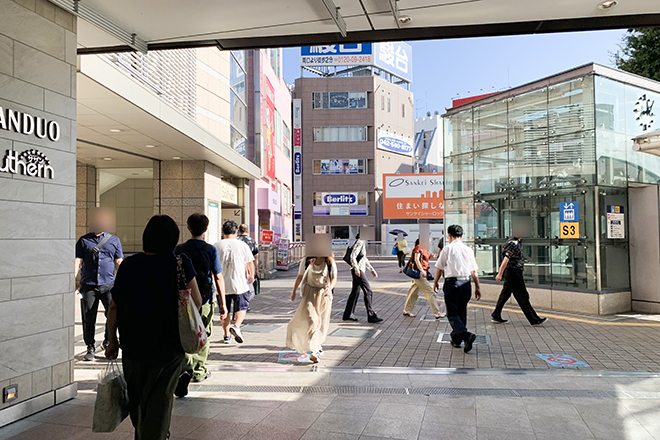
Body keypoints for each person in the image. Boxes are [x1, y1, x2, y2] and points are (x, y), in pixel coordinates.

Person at [105, 215, 203, 440]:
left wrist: (113, 341)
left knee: (138, 397)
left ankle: (145, 433)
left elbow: (114, 306)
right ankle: (154, 434)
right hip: (170, 345)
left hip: (133, 345)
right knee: (161, 397)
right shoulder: (180, 263)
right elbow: (196, 301)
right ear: (173, 239)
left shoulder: (129, 265)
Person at [173, 213, 227, 397]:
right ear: (206, 229)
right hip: (204, 297)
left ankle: (185, 368)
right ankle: (199, 370)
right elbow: (218, 276)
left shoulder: (179, 249)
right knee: (203, 333)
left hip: (181, 299)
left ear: (188, 227)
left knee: (185, 331)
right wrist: (223, 302)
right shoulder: (210, 250)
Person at [74, 208, 123, 361]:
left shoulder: (114, 240)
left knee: (112, 315)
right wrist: (72, 280)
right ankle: (90, 346)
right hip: (88, 285)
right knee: (88, 316)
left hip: (109, 285)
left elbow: (118, 262)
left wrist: (124, 281)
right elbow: (78, 261)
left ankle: (108, 341)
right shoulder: (83, 241)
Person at [287, 236, 337, 363]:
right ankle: (315, 347)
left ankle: (316, 349)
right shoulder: (307, 261)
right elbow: (300, 276)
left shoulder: (330, 262)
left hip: (324, 294)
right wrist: (293, 291)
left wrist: (329, 288)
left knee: (321, 321)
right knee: (312, 319)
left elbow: (334, 277)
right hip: (309, 293)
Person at [433, 224, 481, 353]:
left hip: (452, 283)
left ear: (449, 236)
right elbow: (474, 271)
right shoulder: (468, 249)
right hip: (466, 283)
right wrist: (477, 287)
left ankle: (466, 336)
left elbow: (440, 268)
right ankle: (456, 339)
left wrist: (435, 282)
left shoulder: (447, 249)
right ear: (462, 235)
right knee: (461, 312)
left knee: (453, 314)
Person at [491, 230, 548, 326]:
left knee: (505, 295)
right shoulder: (512, 243)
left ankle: (496, 314)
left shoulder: (517, 242)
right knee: (522, 296)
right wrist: (499, 274)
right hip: (513, 273)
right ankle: (534, 319)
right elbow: (505, 259)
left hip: (513, 272)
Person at [214, 220, 255, 344]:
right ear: (236, 232)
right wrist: (251, 274)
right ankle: (236, 326)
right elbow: (249, 262)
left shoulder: (216, 245)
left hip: (221, 284)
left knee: (224, 309)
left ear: (223, 232)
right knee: (242, 306)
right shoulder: (242, 245)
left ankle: (227, 336)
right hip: (239, 283)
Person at [343, 233, 383, 323]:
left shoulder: (361, 243)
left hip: (357, 270)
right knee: (368, 291)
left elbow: (364, 258)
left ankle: (348, 314)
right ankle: (371, 315)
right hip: (358, 270)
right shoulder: (360, 242)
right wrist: (356, 268)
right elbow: (352, 255)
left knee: (355, 292)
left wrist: (372, 270)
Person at [402, 238, 445, 319]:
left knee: (413, 292)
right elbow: (416, 260)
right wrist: (422, 270)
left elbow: (423, 259)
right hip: (419, 273)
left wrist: (429, 256)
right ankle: (437, 313)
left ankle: (407, 310)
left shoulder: (424, 249)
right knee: (429, 292)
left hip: (420, 272)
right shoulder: (418, 247)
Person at [237, 223, 260, 296]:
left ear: (238, 231)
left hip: (237, 266)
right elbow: (255, 257)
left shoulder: (236, 240)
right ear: (248, 231)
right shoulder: (252, 241)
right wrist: (256, 269)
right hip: (249, 267)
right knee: (247, 285)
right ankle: (245, 303)